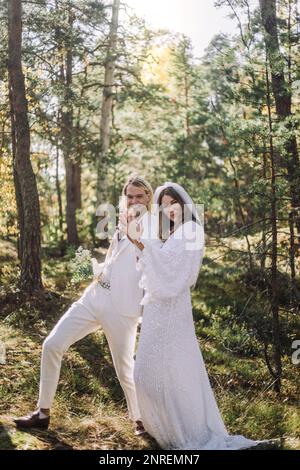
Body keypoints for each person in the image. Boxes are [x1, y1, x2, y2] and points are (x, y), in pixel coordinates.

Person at [14, 175, 154, 436]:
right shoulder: (121, 223)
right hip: (93, 297)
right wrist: (93, 268)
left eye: (139, 196)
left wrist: (136, 236)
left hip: (122, 308)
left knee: (125, 370)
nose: (134, 201)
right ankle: (42, 412)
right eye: (130, 196)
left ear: (149, 198)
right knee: (52, 344)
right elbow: (113, 260)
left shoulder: (154, 227)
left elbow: (152, 261)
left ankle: (140, 419)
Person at [126, 182, 259, 450]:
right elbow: (157, 264)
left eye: (172, 203)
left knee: (169, 369)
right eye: (163, 205)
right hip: (157, 308)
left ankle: (183, 431)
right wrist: (143, 244)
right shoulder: (174, 232)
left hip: (172, 309)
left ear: (183, 204)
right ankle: (160, 426)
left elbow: (175, 272)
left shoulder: (191, 230)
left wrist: (141, 243)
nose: (167, 209)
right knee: (149, 370)